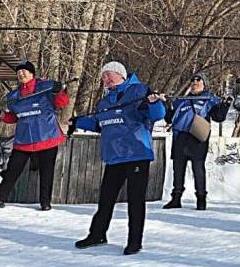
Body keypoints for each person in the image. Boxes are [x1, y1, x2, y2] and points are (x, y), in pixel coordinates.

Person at [69, 62, 165, 256]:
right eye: (103, 76)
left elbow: (157, 115)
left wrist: (155, 103)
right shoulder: (104, 103)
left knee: (135, 200)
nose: (105, 79)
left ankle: (134, 241)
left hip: (136, 154)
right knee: (106, 199)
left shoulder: (139, 91)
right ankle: (97, 235)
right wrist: (77, 121)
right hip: (114, 156)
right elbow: (100, 124)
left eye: (108, 75)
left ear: (120, 75)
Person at [0, 61, 70, 212]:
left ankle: (45, 202)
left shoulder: (45, 88)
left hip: (47, 137)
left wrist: (59, 91)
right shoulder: (14, 96)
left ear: (32, 74)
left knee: (47, 173)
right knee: (12, 170)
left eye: (24, 71)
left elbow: (62, 103)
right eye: (18, 72)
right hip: (24, 140)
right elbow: (13, 117)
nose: (21, 74)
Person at [163, 72, 230, 211]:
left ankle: (201, 199)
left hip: (197, 138)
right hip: (180, 138)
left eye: (198, 81)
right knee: (178, 169)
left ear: (204, 84)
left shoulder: (209, 99)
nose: (194, 83)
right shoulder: (181, 100)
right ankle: (176, 198)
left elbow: (219, 117)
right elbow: (169, 118)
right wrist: (165, 104)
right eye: (193, 81)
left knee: (198, 170)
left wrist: (225, 104)